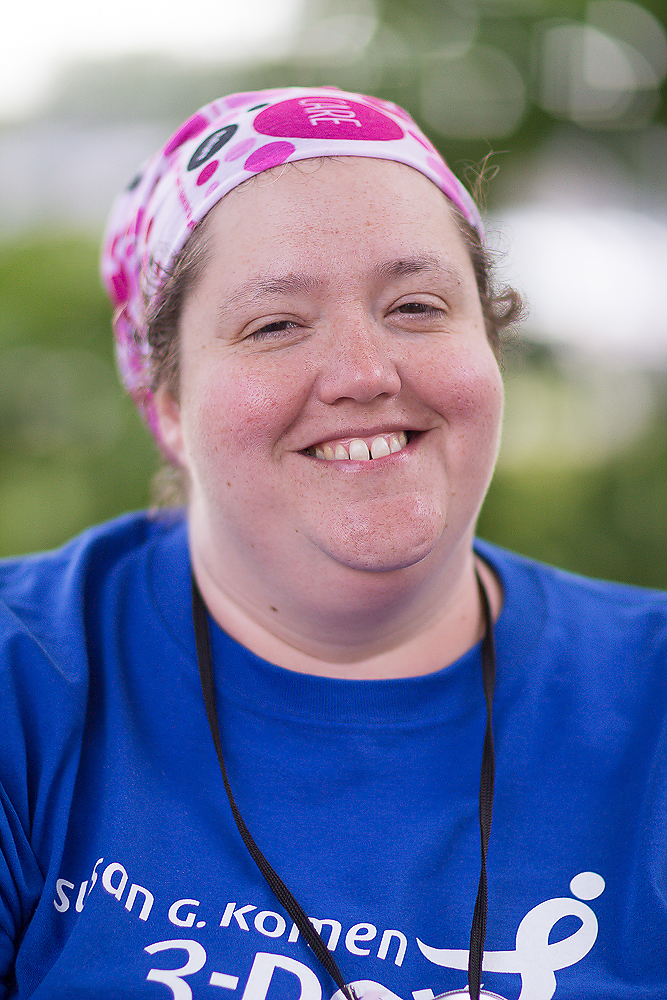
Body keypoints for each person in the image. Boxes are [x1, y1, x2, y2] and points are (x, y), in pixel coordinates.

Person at [0, 87, 665, 1000]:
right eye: (275, 324)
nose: (363, 373)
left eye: (417, 306)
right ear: (168, 403)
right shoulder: (26, 680)